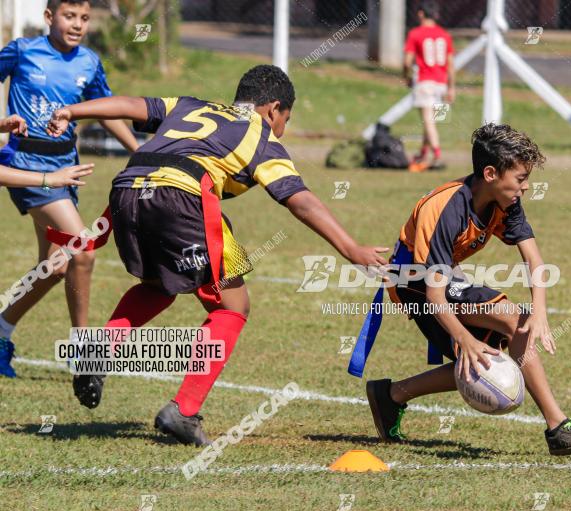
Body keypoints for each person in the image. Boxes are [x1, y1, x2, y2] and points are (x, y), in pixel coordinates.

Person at [47, 65, 388, 445]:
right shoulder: (262, 137)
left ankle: (101, 349)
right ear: (273, 108)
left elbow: (129, 103)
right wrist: (351, 248)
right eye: (285, 120)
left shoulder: (188, 106)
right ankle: (185, 410)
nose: (283, 130)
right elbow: (300, 201)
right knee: (232, 306)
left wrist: (71, 112)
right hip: (180, 197)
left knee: (160, 285)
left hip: (126, 190)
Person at [358, 123, 571, 456]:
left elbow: (534, 259)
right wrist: (465, 338)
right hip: (414, 285)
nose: (525, 187)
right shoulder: (446, 208)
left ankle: (391, 395)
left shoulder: (504, 199)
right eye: (521, 179)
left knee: (489, 355)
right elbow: (434, 294)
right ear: (491, 173)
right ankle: (558, 429)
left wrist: (540, 312)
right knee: (507, 325)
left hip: (444, 278)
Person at [0, 0, 138, 378]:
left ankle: (1, 331)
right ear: (49, 17)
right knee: (82, 251)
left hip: (66, 170)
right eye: (69, 16)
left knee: (54, 266)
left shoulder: (89, 62)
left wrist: (139, 151)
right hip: (26, 168)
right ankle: (82, 353)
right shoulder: (23, 51)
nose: (77, 25)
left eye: (84, 18)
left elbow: (104, 109)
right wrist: (3, 123)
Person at [404, 0, 455, 173]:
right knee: (430, 120)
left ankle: (437, 154)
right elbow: (450, 64)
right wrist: (451, 87)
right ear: (436, 15)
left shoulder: (415, 34)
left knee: (428, 119)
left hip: (425, 81)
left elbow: (407, 61)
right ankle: (423, 153)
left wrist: (407, 76)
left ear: (420, 14)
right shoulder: (445, 35)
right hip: (440, 83)